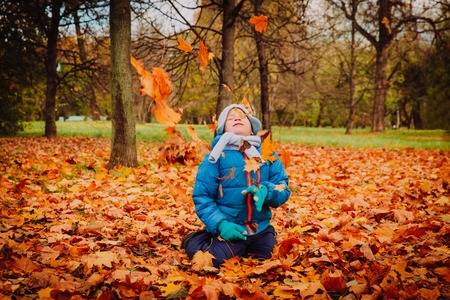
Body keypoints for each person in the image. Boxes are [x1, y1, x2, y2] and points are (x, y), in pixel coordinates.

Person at [182, 104, 291, 267]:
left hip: (260, 228)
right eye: (230, 118)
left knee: (265, 260)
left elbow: (282, 187)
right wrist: (221, 224)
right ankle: (195, 239)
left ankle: (261, 239)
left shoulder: (268, 156)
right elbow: (202, 197)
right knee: (214, 261)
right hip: (229, 227)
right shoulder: (215, 157)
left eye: (242, 116)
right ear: (222, 129)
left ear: (253, 128)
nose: (237, 118)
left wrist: (267, 191)